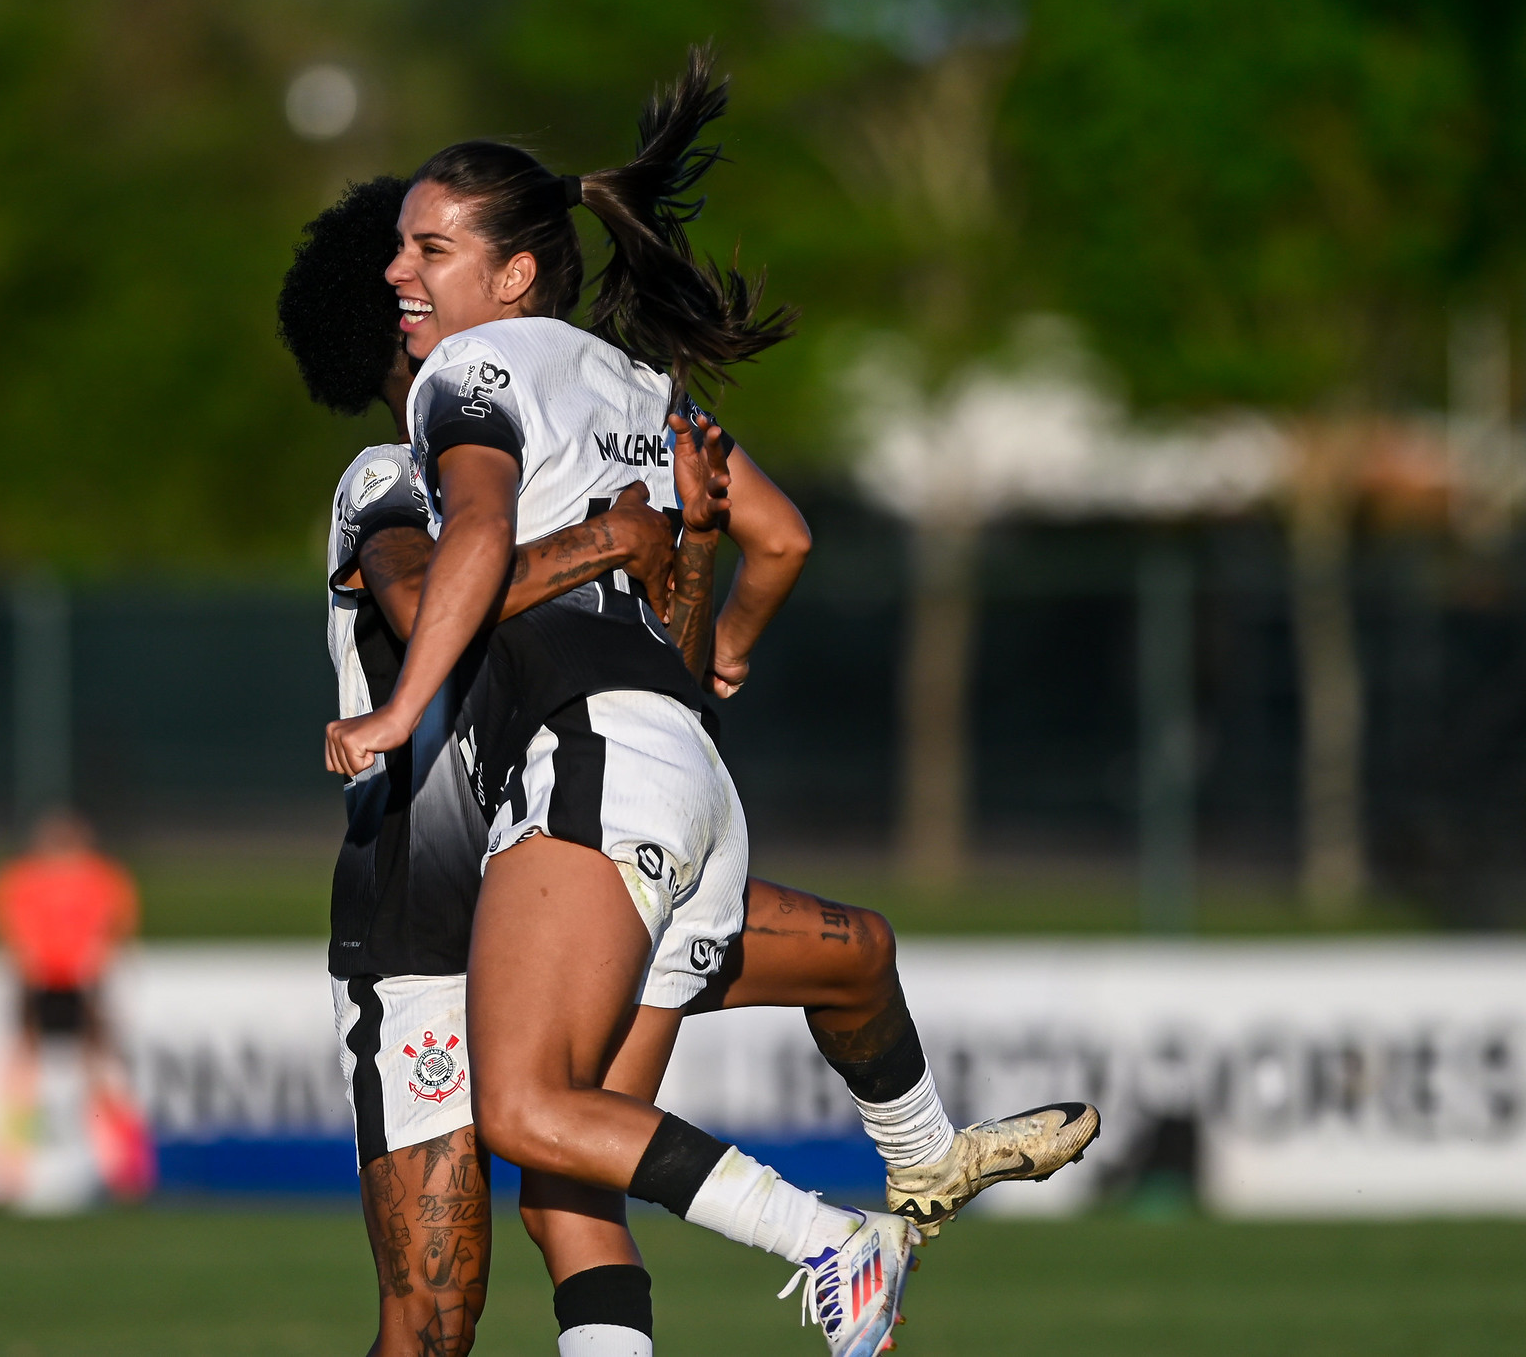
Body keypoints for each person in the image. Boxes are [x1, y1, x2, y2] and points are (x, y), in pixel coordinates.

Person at [285, 160, 1095, 1354]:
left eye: (427, 264)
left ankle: (856, 1212)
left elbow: (601, 612)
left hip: (569, 815)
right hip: (423, 915)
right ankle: (921, 1154)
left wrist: (675, 561)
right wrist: (639, 550)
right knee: (447, 1303)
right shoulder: (390, 476)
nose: (407, 293)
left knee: (561, 1161)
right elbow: (433, 605)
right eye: (396, 285)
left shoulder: (502, 400)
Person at [0, 809, 151, 1203]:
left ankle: (128, 1169)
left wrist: (97, 968)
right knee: (22, 1075)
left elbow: (117, 930)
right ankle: (7, 1173)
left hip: (86, 983)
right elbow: (8, 932)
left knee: (104, 1073)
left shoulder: (102, 877)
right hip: (38, 982)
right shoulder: (21, 878)